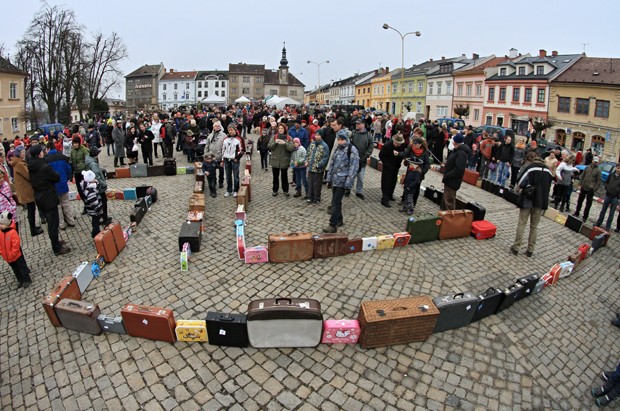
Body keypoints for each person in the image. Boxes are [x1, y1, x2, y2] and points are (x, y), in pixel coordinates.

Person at [27, 145, 70, 256]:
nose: (43, 152)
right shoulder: (44, 167)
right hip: (48, 197)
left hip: (39, 197)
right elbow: (56, 177)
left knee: (50, 223)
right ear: (39, 153)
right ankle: (56, 248)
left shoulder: (31, 166)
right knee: (53, 224)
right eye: (42, 151)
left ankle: (55, 242)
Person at [510, 151, 553, 257]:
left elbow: (520, 182)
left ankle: (516, 247)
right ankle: (530, 250)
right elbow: (549, 187)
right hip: (540, 201)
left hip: (528, 199)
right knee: (534, 227)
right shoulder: (548, 171)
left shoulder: (531, 167)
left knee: (522, 223)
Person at [323, 130, 359, 233]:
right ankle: (339, 219)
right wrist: (328, 177)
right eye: (338, 139)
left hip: (343, 181)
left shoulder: (352, 150)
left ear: (347, 139)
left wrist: (349, 183)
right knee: (336, 201)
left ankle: (332, 224)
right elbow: (332, 163)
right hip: (335, 179)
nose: (340, 141)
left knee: (335, 202)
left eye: (342, 139)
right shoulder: (337, 149)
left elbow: (354, 167)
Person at [10, 145, 43, 237]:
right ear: (19, 154)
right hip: (26, 191)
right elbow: (28, 176)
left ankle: (34, 227)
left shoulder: (18, 162)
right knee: (31, 210)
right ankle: (33, 229)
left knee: (31, 209)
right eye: (22, 152)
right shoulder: (20, 164)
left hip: (25, 190)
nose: (24, 154)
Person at [45, 142, 75, 230]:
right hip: (63, 183)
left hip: (54, 186)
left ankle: (61, 224)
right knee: (66, 203)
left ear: (48, 149)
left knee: (58, 205)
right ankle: (71, 220)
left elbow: (47, 173)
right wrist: (66, 178)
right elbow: (68, 168)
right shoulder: (62, 156)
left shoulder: (47, 160)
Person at [0, 211, 32, 288]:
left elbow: (16, 245)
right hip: (8, 257)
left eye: (2, 224)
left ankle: (27, 280)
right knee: (15, 270)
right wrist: (2, 252)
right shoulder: (0, 233)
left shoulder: (13, 232)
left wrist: (12, 253)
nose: (0, 226)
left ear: (7, 224)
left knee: (22, 268)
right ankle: (20, 280)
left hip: (16, 256)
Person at [399, 136, 430, 215]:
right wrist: (398, 154)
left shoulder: (425, 152)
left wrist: (421, 171)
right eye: (413, 143)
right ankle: (406, 206)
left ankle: (411, 207)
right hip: (410, 172)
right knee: (406, 190)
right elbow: (405, 154)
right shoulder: (411, 149)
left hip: (418, 174)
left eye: (415, 144)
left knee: (413, 191)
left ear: (420, 145)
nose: (413, 145)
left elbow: (427, 164)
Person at [441, 134, 471, 210]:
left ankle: (450, 219)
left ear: (455, 141)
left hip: (452, 181)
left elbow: (459, 169)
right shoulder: (457, 150)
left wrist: (448, 175)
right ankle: (444, 216)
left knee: (449, 201)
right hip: (449, 180)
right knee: (446, 199)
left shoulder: (461, 153)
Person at [85, 147, 111, 226]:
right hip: (99, 187)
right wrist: (103, 184)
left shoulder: (90, 161)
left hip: (96, 186)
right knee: (103, 203)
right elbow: (97, 176)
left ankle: (103, 217)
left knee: (101, 202)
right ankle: (105, 219)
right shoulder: (93, 164)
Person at [379, 133, 406, 207]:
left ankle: (390, 194)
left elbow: (402, 154)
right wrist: (386, 164)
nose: (397, 145)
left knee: (393, 181)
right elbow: (381, 156)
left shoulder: (402, 146)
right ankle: (384, 199)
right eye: (396, 143)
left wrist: (399, 162)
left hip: (396, 166)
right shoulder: (387, 145)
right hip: (388, 167)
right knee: (386, 182)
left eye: (398, 144)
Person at [349, 119, 374, 200]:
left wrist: (365, 156)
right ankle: (348, 188)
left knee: (360, 177)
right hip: (353, 159)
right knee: (351, 175)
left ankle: (359, 191)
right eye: (356, 124)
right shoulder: (353, 133)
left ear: (363, 125)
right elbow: (349, 144)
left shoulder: (368, 135)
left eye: (359, 124)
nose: (357, 125)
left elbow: (371, 146)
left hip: (362, 159)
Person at [267, 123, 294, 197]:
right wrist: (275, 142)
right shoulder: (274, 137)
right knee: (275, 177)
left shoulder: (289, 138)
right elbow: (269, 146)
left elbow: (291, 148)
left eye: (282, 128)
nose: (280, 130)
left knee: (284, 176)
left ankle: (285, 190)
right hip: (275, 160)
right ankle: (275, 190)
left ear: (285, 129)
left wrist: (285, 143)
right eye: (279, 128)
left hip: (284, 160)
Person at [573, 156, 602, 222]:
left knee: (588, 204)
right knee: (580, 201)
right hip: (584, 187)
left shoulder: (598, 171)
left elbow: (599, 181)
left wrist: (594, 189)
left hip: (590, 189)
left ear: (598, 163)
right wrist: (580, 184)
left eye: (596, 162)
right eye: (594, 161)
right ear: (592, 161)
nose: (595, 163)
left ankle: (585, 217)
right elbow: (582, 176)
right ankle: (577, 212)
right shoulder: (587, 167)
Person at [305, 130, 330, 204]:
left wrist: (319, 165)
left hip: (318, 169)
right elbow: (308, 153)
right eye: (316, 135)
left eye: (318, 135)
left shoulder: (324, 146)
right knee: (310, 183)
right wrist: (306, 161)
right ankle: (310, 197)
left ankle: (317, 197)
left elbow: (325, 157)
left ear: (321, 136)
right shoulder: (312, 144)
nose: (317, 136)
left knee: (317, 184)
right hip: (310, 168)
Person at [595, 163, 620, 231]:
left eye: (619, 168)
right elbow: (606, 182)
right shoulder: (611, 175)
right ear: (616, 168)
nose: (618, 170)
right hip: (608, 195)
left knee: (611, 214)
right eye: (617, 168)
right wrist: (607, 188)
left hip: (615, 198)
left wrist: (618, 196)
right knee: (603, 211)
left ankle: (607, 227)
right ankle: (598, 223)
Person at [221, 124, 244, 198]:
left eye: (231, 130)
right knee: (228, 176)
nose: (230, 131)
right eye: (229, 130)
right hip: (226, 159)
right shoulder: (225, 139)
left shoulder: (239, 139)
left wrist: (237, 158)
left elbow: (242, 150)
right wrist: (222, 159)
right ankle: (229, 190)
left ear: (235, 130)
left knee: (236, 176)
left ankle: (236, 190)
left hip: (234, 160)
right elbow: (223, 149)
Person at [69, 136, 90, 214]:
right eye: (74, 143)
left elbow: (88, 160)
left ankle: (88, 206)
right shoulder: (72, 152)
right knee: (80, 191)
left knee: (86, 190)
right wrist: (71, 174)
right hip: (76, 172)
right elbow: (70, 162)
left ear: (79, 143)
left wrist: (87, 171)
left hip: (84, 172)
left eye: (76, 143)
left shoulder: (83, 150)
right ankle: (86, 203)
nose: (75, 145)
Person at [81, 170, 103, 238]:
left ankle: (95, 232)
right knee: (95, 222)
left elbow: (98, 187)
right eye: (94, 179)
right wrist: (98, 208)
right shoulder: (91, 191)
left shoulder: (92, 186)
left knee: (96, 220)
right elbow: (93, 202)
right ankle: (96, 233)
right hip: (94, 210)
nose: (95, 180)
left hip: (94, 209)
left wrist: (96, 182)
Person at [205, 121, 226, 188]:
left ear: (220, 127)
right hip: (211, 156)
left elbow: (225, 146)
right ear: (213, 127)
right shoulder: (210, 135)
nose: (217, 127)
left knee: (221, 170)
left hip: (220, 156)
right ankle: (214, 182)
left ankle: (221, 182)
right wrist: (205, 154)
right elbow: (207, 145)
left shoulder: (224, 135)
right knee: (212, 171)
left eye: (218, 126)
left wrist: (223, 156)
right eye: (215, 126)